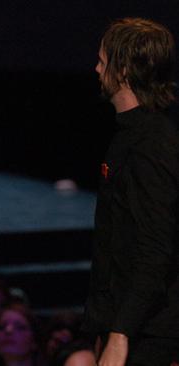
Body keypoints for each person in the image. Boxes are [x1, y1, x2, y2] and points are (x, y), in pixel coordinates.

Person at [82, 18, 179, 365]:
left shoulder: (151, 145)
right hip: (124, 324)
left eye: (103, 60)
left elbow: (155, 247)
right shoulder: (131, 135)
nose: (96, 68)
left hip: (145, 332)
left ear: (122, 69)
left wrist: (120, 334)